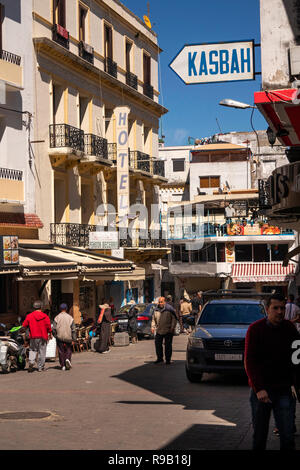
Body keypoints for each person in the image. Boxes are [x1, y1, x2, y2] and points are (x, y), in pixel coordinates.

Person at [244, 293, 300, 450]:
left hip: (284, 391)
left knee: (288, 436)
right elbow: (250, 362)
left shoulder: (290, 329)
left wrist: (297, 385)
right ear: (267, 309)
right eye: (275, 308)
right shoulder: (255, 329)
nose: (280, 312)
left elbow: (297, 359)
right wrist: (259, 388)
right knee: (260, 437)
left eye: (282, 308)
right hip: (262, 393)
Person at [22, 300, 52, 372]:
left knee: (32, 350)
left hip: (33, 336)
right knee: (42, 351)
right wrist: (50, 333)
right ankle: (40, 367)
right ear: (41, 307)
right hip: (43, 336)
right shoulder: (45, 316)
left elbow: (24, 325)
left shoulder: (29, 316)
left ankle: (31, 362)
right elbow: (48, 326)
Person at [151, 297, 177, 365]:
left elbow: (174, 319)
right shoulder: (156, 309)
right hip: (159, 330)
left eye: (161, 302)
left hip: (168, 330)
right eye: (159, 302)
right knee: (158, 344)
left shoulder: (169, 309)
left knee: (168, 345)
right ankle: (160, 358)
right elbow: (153, 319)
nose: (160, 303)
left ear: (164, 302)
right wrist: (152, 327)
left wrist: (172, 327)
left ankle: (168, 359)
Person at [52, 303, 77, 371]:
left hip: (59, 337)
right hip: (68, 337)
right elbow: (73, 329)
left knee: (61, 350)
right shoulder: (70, 318)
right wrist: (74, 339)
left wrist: (55, 335)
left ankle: (62, 365)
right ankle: (67, 359)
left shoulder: (56, 317)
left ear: (60, 309)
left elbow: (53, 328)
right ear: (66, 309)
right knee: (68, 349)